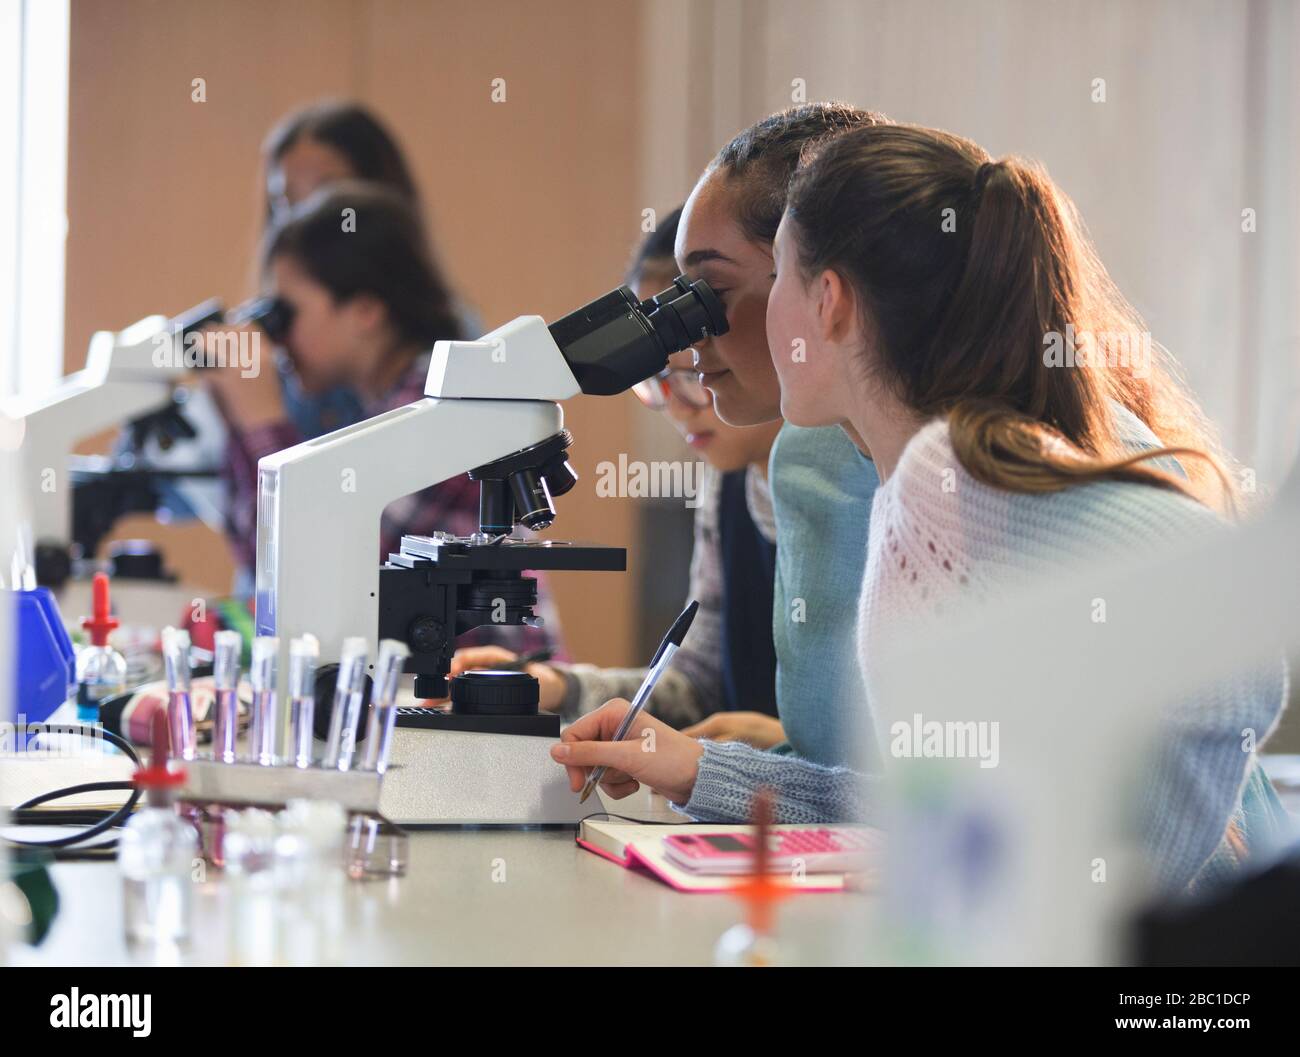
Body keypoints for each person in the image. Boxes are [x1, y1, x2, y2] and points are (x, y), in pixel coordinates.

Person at [554, 119, 1288, 894]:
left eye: (722, 290)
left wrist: (1125, 877)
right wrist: (698, 769)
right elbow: (920, 804)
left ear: (825, 298)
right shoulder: (902, 485)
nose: (688, 340)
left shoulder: (966, 469)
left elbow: (1234, 633)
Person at [451, 208, 786, 747]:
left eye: (697, 373)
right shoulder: (727, 488)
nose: (679, 407)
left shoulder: (854, 488)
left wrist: (785, 743)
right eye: (657, 381)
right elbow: (695, 687)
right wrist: (555, 685)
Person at [205, 180, 559, 656]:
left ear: (365, 310)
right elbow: (268, 571)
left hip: (493, 698)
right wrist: (241, 417)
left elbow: (325, 590)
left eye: (286, 313)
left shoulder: (437, 415)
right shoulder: (389, 408)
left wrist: (261, 420)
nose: (278, 339)